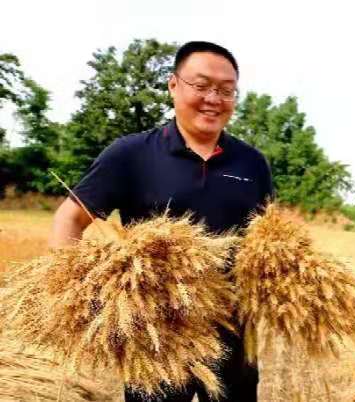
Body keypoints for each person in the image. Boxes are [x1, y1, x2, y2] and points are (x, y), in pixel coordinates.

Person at [50, 41, 273, 402]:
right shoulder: (130, 154)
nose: (213, 99)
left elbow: (266, 237)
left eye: (226, 90)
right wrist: (74, 294)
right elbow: (70, 218)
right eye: (201, 86)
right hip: (156, 336)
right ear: (173, 85)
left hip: (233, 332)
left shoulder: (252, 163)